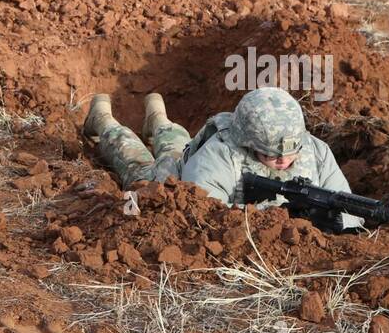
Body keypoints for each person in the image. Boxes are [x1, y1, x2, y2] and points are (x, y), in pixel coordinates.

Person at [83, 86, 361, 229]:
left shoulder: (317, 151)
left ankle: (158, 117)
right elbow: (203, 213)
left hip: (190, 154)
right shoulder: (220, 154)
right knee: (138, 163)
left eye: (292, 152)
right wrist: (278, 217)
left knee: (176, 141)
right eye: (271, 154)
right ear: (248, 144)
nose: (283, 161)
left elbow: (349, 209)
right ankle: (103, 120)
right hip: (173, 176)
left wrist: (326, 219)